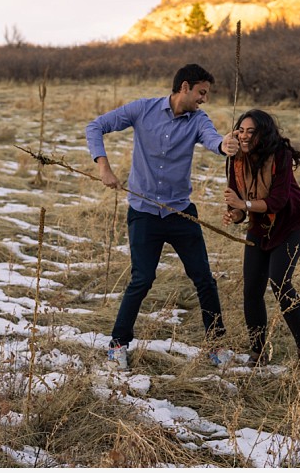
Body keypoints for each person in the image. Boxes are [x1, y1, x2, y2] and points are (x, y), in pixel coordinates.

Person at [85, 63, 239, 370]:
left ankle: (215, 345)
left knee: (204, 280)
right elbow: (95, 126)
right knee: (142, 279)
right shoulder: (143, 109)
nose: (203, 99)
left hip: (181, 212)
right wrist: (104, 167)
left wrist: (225, 144)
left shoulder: (198, 120)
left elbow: (212, 139)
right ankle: (117, 344)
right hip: (143, 213)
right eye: (201, 92)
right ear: (184, 87)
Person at [222, 109, 300, 369]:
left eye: (252, 131)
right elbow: (237, 203)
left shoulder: (279, 156)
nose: (245, 136)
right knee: (251, 289)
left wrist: (244, 204)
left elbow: (278, 201)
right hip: (260, 227)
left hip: (291, 223)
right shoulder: (235, 159)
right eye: (241, 130)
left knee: (280, 282)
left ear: (264, 133)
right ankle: (258, 352)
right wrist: (236, 213)